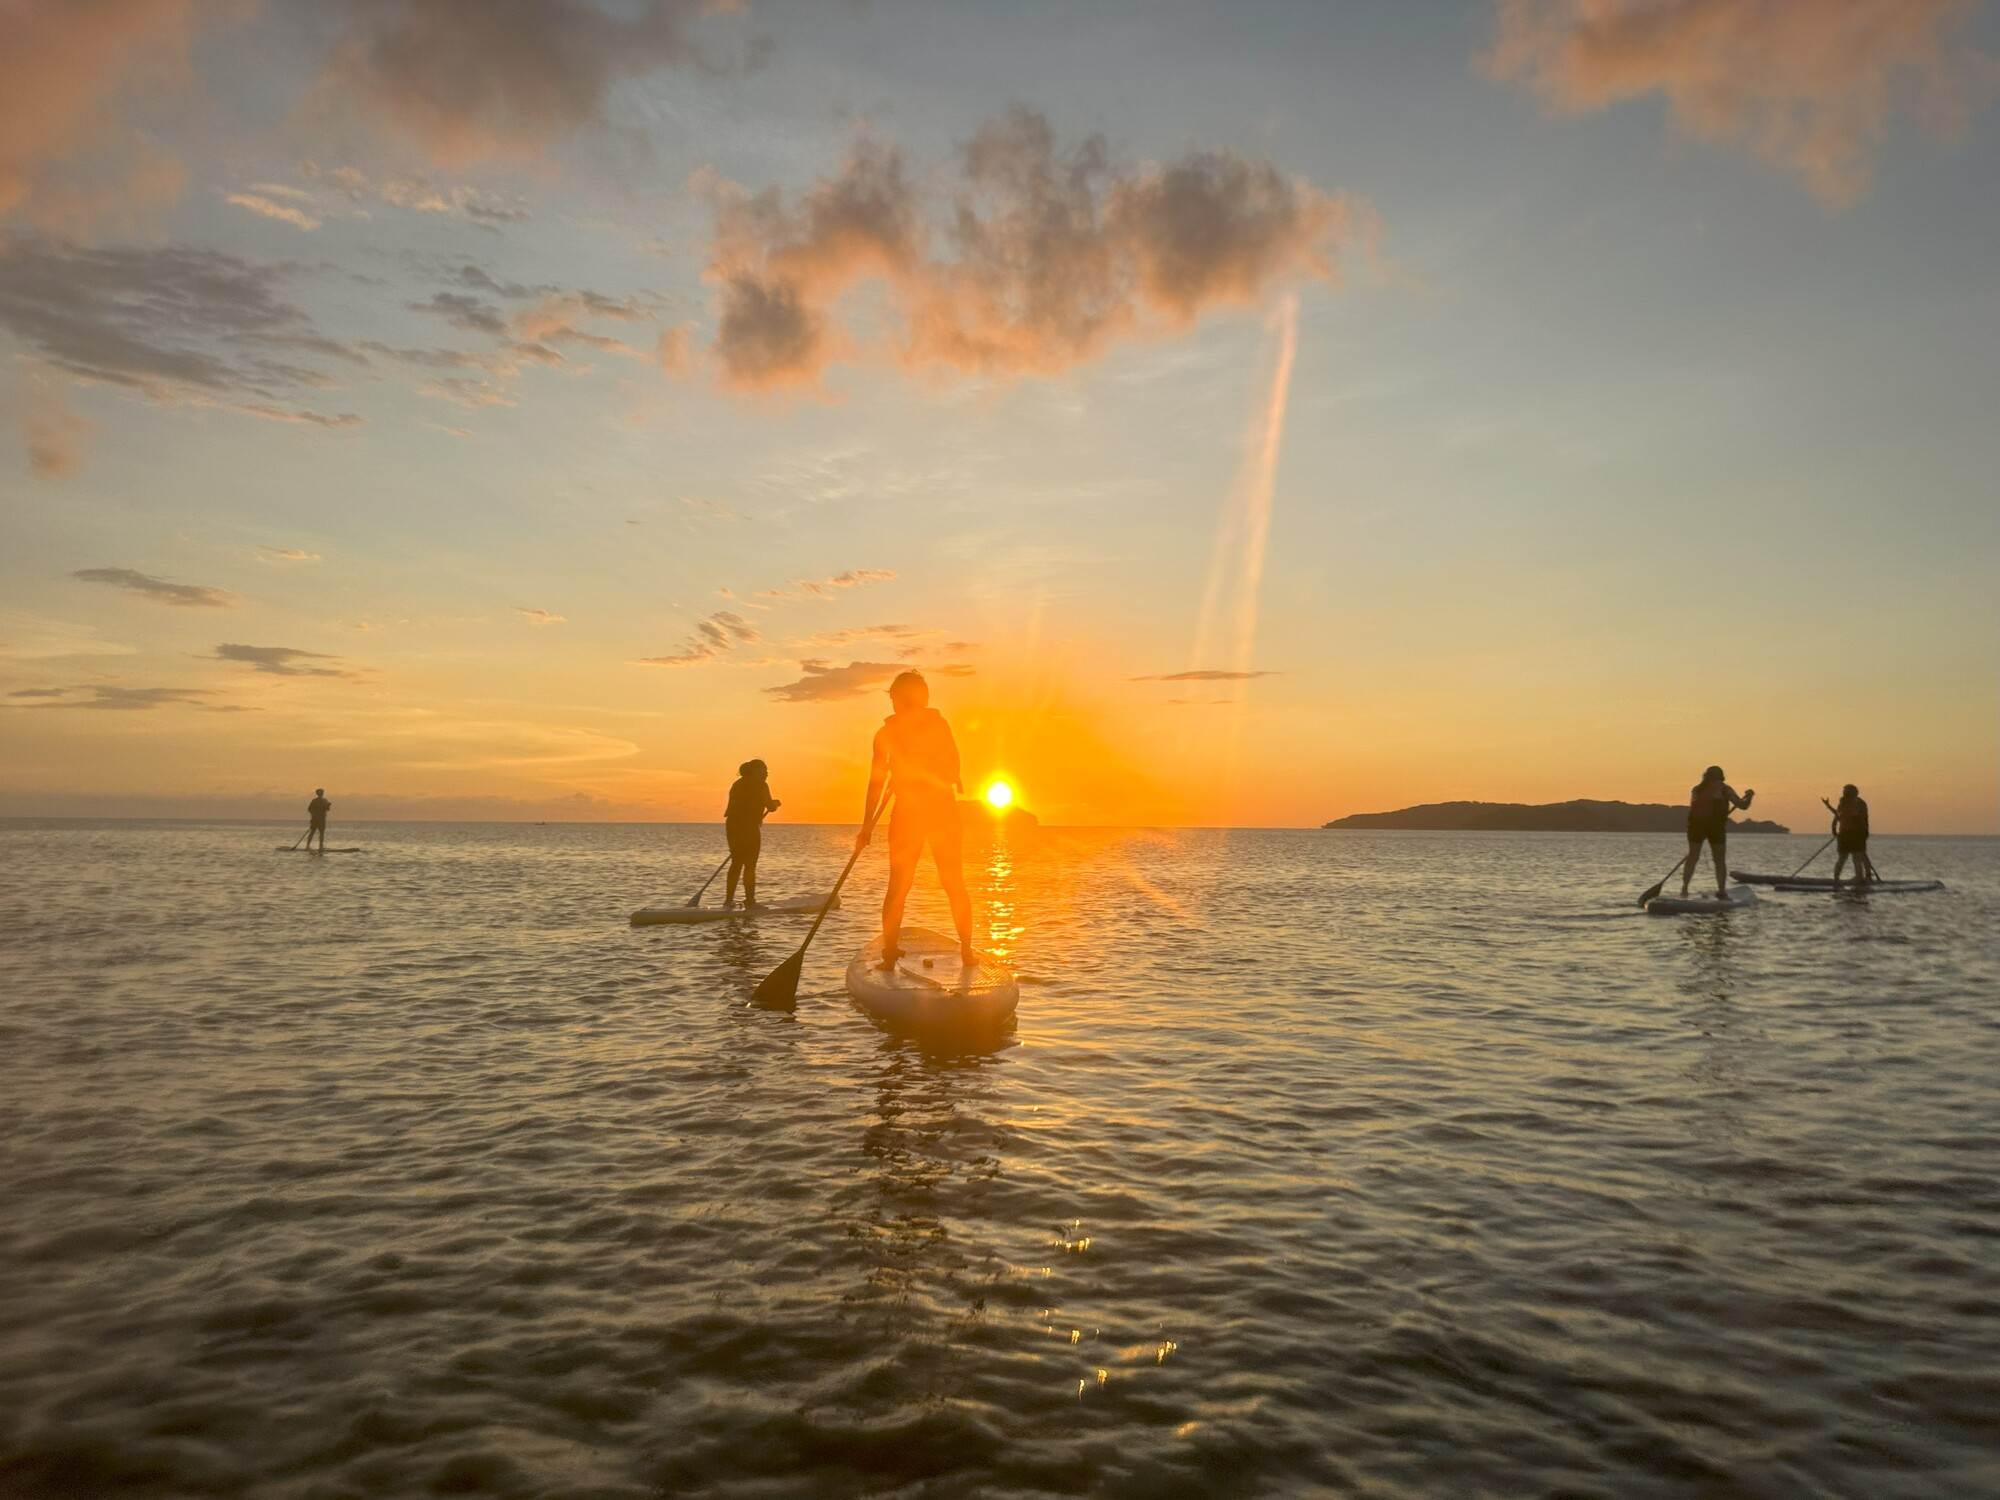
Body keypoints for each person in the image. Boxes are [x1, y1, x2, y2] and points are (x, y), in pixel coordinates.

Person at [855, 670, 974, 967]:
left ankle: (967, 951)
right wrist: (866, 826)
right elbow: (875, 782)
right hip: (915, 813)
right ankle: (891, 952)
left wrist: (915, 772)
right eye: (896, 698)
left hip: (937, 811)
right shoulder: (887, 734)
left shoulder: (936, 726)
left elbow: (952, 769)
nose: (898, 704)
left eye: (901, 698)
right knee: (901, 884)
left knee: (950, 881)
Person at [1680, 765, 1754, 897]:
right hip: (1715, 827)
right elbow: (1742, 806)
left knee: (1692, 857)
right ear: (1721, 776)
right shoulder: (1725, 789)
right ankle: (1721, 890)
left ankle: (1684, 889)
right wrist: (1749, 796)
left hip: (1695, 826)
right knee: (1719, 860)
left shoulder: (1696, 789)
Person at [722, 760, 781, 909]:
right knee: (749, 865)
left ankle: (728, 901)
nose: (766, 773)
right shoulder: (761, 785)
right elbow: (769, 805)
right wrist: (775, 804)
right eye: (763, 771)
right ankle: (750, 901)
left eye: (767, 771)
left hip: (733, 827)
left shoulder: (738, 784)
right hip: (747, 828)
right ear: (754, 771)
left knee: (736, 862)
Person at [1825, 784, 1875, 886]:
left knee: (1858, 856)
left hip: (1857, 834)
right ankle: (1836, 879)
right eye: (1845, 791)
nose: (1845, 793)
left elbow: (1861, 818)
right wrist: (1834, 829)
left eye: (1847, 791)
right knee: (1843, 857)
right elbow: (1838, 815)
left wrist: (1863, 832)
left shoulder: (1860, 803)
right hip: (1844, 834)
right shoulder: (1842, 803)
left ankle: (1862, 877)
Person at [306, 787, 331, 852]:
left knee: (322, 833)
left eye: (322, 793)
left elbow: (327, 809)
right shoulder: (314, 801)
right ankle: (307, 846)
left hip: (322, 820)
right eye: (320, 793)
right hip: (315, 819)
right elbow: (309, 809)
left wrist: (328, 806)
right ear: (317, 794)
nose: (321, 794)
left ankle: (321, 846)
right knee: (312, 832)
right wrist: (314, 816)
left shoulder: (325, 800)